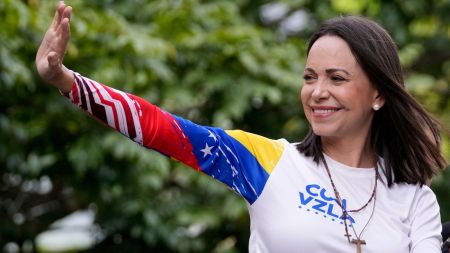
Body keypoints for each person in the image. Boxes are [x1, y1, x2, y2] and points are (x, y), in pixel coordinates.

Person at [36, 2, 447, 253]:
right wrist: (66, 81)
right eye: (309, 77)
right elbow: (161, 128)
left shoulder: (414, 199)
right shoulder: (267, 161)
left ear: (379, 94)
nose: (318, 92)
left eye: (337, 79)